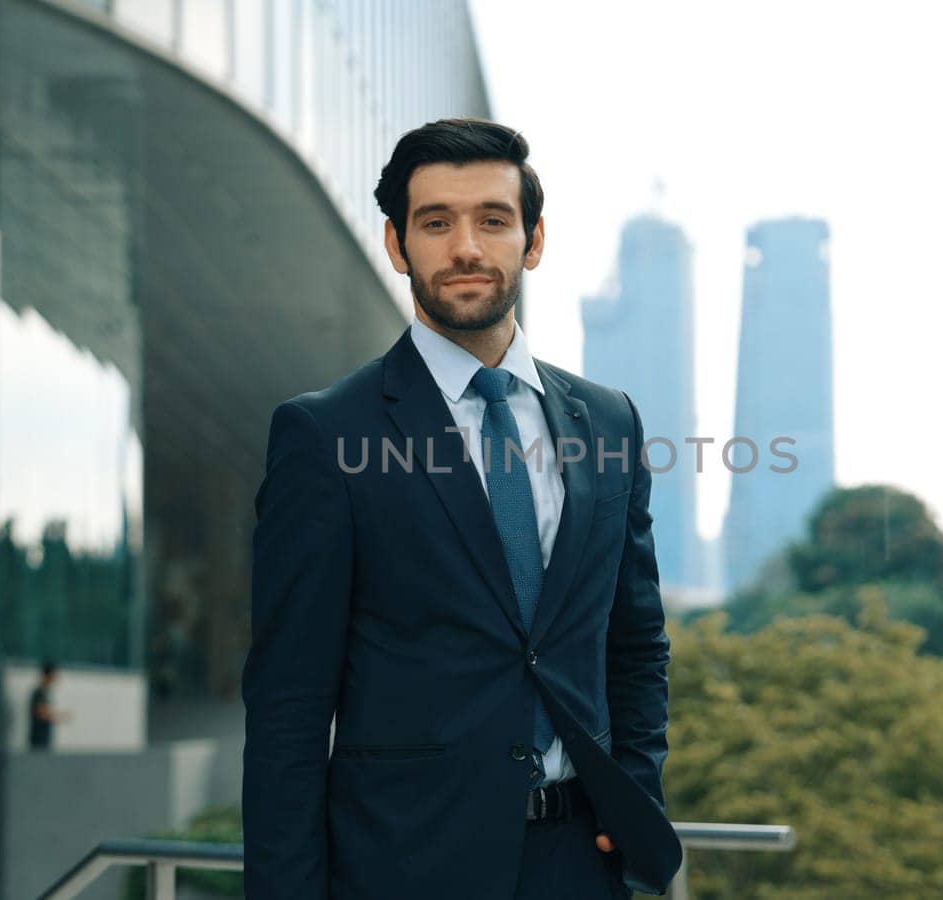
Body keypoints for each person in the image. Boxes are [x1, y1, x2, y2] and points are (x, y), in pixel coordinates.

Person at [242, 118, 681, 899]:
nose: (466, 247)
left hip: (582, 864)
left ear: (533, 240)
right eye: (435, 222)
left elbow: (635, 641)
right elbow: (288, 704)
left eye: (493, 219)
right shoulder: (325, 433)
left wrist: (634, 793)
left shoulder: (610, 421)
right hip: (403, 867)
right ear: (396, 244)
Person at [28, 660, 72, 750]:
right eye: (54, 675)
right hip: (38, 741)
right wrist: (59, 715)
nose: (56, 678)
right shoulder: (38, 693)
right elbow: (41, 713)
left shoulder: (45, 693)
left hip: (44, 741)